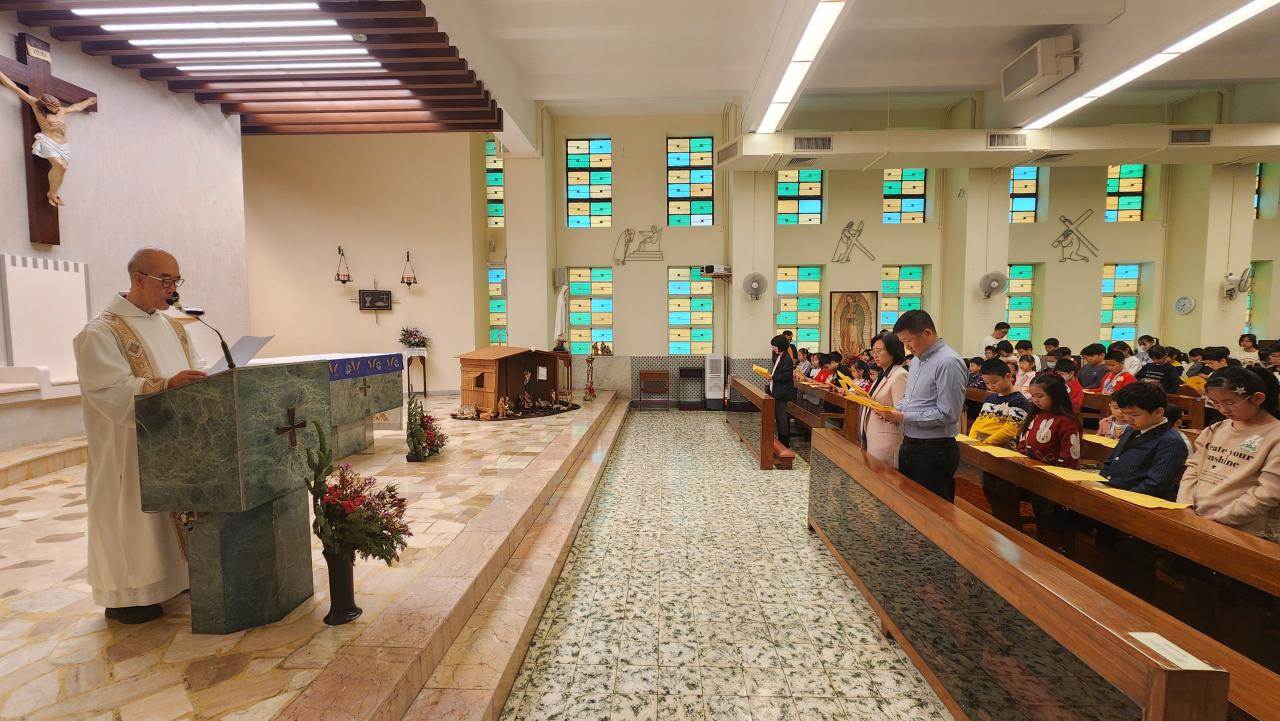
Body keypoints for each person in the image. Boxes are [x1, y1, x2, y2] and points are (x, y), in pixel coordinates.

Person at [72, 248, 207, 624]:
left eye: (176, 281)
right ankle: (128, 596)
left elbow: (197, 367)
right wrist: (166, 384)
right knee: (131, 516)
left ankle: (176, 579)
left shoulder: (174, 327)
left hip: (173, 441)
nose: (173, 290)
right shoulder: (100, 332)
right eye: (166, 281)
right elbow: (109, 391)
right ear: (138, 279)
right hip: (127, 449)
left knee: (170, 516)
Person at [1178, 366, 1280, 541]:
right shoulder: (1215, 429)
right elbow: (1193, 469)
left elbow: (1269, 492)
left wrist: (1219, 518)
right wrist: (1185, 504)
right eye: (1215, 403)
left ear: (1257, 398)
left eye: (1229, 403)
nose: (1223, 410)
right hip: (1198, 518)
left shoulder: (1274, 435)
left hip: (1248, 532)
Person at [877, 310, 967, 502]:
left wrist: (903, 417)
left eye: (909, 340)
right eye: (903, 342)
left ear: (927, 333)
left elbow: (948, 414)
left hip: (934, 448)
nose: (907, 347)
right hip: (910, 442)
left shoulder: (948, 362)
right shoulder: (917, 360)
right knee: (910, 503)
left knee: (934, 507)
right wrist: (896, 410)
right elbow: (911, 398)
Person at [0, 68, 97, 206]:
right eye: (53, 107)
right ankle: (52, 193)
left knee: (63, 169)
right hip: (48, 140)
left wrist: (89, 101)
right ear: (46, 106)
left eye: (57, 106)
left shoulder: (61, 110)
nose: (57, 109)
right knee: (58, 165)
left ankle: (53, 193)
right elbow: (15, 88)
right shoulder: (36, 105)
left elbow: (76, 107)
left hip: (63, 145)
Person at [1100, 383, 1189, 500]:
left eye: (1134, 414)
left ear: (1158, 412)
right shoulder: (1131, 430)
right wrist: (1100, 485)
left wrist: (1120, 498)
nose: (1127, 419)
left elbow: (1155, 484)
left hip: (1135, 501)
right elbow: (1110, 463)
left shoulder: (1171, 442)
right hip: (1111, 493)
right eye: (1124, 412)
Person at [975, 358, 1034, 529]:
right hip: (987, 450)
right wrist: (973, 441)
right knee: (989, 489)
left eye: (994, 382)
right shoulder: (991, 398)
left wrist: (985, 443)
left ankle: (1011, 531)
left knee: (1004, 493)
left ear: (1008, 376)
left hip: (1005, 452)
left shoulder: (1019, 400)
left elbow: (1010, 430)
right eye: (987, 383)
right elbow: (979, 421)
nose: (991, 386)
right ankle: (1000, 528)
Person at [861, 332, 909, 468]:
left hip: (887, 440)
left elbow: (901, 411)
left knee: (884, 478)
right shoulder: (883, 374)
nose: (875, 355)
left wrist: (885, 411)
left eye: (879, 351)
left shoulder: (900, 375)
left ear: (893, 351)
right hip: (874, 435)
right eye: (873, 351)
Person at [767, 334, 796, 447]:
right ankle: (780, 439)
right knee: (779, 417)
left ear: (781, 346)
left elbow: (786, 376)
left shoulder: (787, 358)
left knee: (781, 417)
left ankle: (784, 442)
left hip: (782, 393)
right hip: (777, 390)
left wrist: (772, 377)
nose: (773, 348)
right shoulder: (780, 356)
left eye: (775, 346)